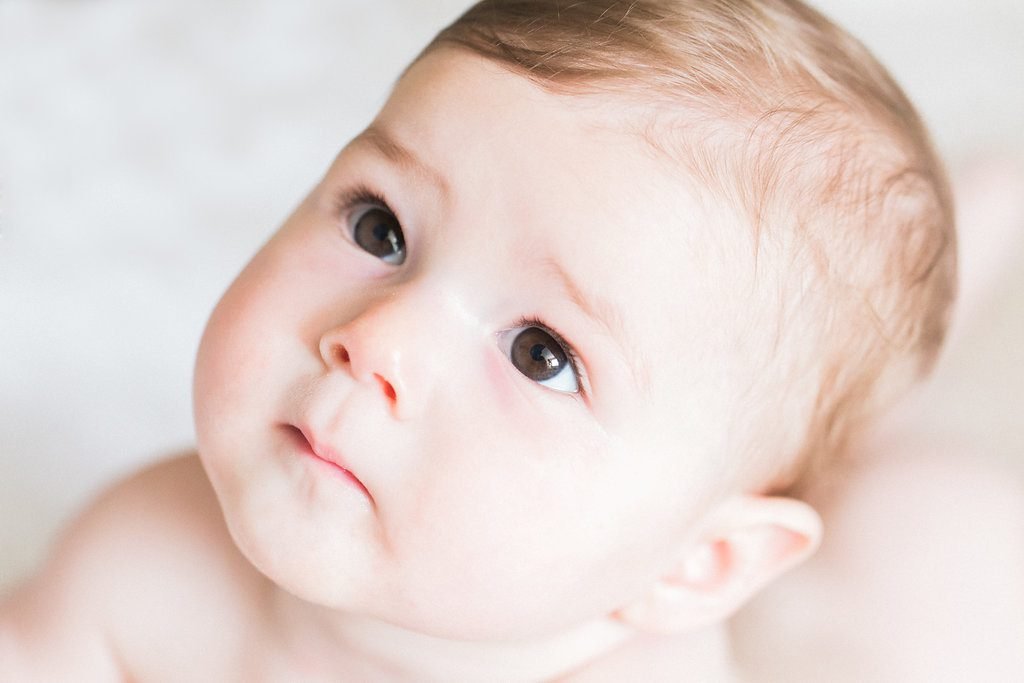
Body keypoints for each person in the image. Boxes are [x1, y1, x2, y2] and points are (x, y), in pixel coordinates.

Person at [0, 1, 962, 679]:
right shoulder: (144, 557)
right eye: (382, 228)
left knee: (917, 545)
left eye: (541, 352)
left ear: (691, 567)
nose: (377, 338)